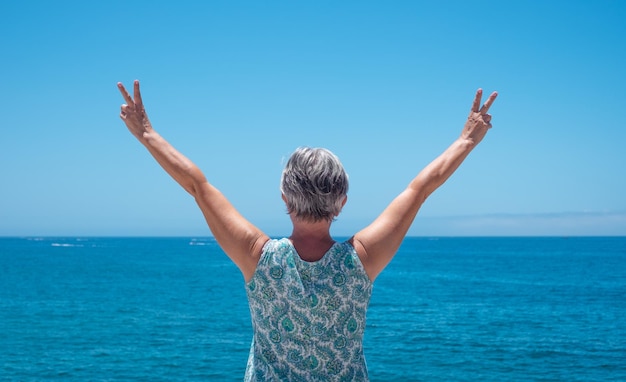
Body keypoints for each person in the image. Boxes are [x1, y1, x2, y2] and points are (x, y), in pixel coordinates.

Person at [117, 80, 497, 381]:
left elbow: (197, 186)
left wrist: (146, 133)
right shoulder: (360, 260)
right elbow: (420, 189)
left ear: (284, 197)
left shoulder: (257, 257)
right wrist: (466, 140)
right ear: (342, 201)